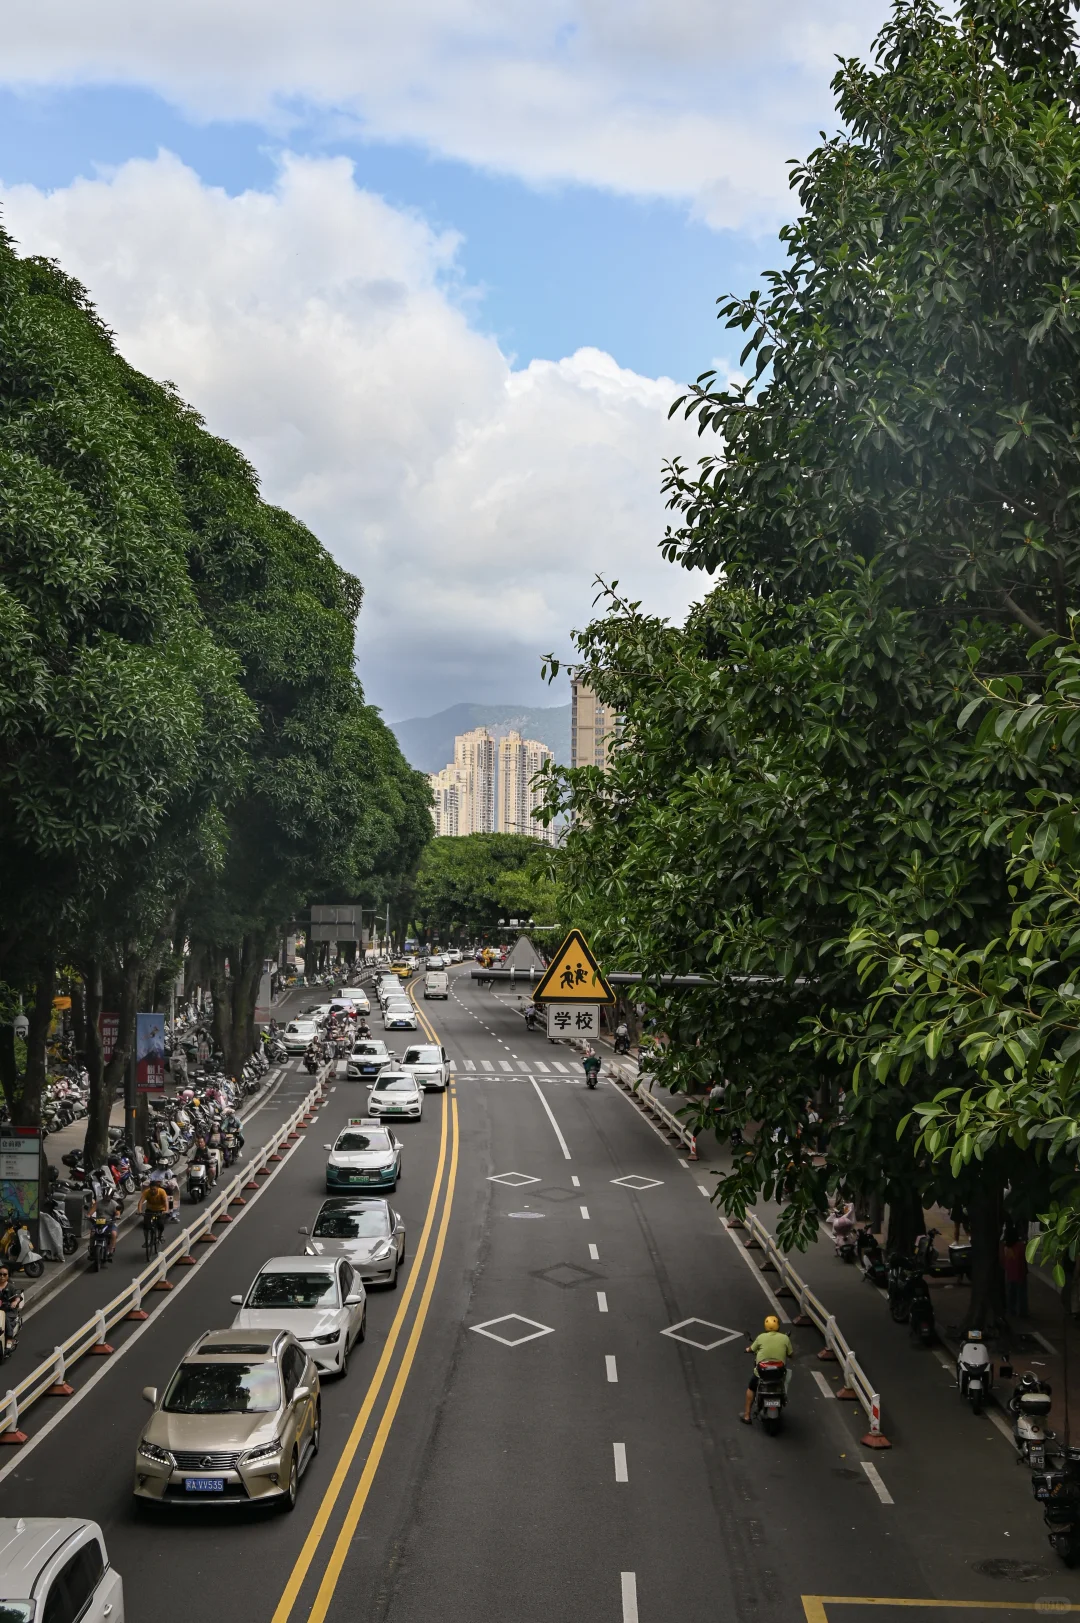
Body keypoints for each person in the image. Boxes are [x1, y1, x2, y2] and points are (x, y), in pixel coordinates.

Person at [741, 1315, 794, 1424]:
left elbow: (751, 1349)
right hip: (778, 1374)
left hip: (761, 1373)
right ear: (778, 1326)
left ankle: (746, 1416)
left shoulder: (761, 1337)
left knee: (751, 1388)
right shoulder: (785, 1338)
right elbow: (791, 1354)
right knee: (787, 1376)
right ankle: (783, 1396)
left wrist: (747, 1349)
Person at [1002, 1225, 1029, 1318]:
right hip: (1020, 1273)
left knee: (1010, 1293)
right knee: (1021, 1294)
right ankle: (1022, 1312)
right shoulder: (1021, 1246)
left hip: (1009, 1274)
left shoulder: (1005, 1247)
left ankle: (1011, 1311)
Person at [89, 1187, 123, 1260]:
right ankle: (91, 1249)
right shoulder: (98, 1203)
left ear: (111, 1196)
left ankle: (111, 1250)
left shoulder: (114, 1204)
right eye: (105, 1196)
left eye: (108, 1196)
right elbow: (91, 1212)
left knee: (113, 1234)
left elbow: (118, 1212)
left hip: (110, 1223)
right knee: (92, 1233)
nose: (107, 1197)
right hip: (98, 1222)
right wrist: (88, 1216)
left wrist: (117, 1216)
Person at [137, 1178, 171, 1246]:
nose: (152, 1191)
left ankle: (160, 1236)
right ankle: (146, 1241)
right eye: (151, 1189)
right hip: (150, 1210)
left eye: (154, 1189)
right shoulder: (146, 1192)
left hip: (160, 1210)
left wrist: (166, 1210)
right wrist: (140, 1211)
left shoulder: (162, 1191)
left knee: (160, 1224)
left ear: (157, 1188)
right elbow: (141, 1202)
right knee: (146, 1226)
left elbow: (166, 1201)